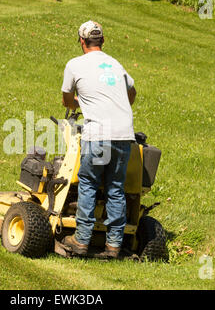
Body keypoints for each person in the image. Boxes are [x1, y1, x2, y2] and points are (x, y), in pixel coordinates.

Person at [60, 20, 137, 259]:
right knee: (116, 188)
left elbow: (67, 99)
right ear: (102, 41)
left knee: (89, 183)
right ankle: (113, 245)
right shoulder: (116, 64)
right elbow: (131, 93)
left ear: (81, 41)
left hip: (98, 135)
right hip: (124, 134)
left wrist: (81, 105)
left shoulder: (74, 65)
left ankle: (81, 240)